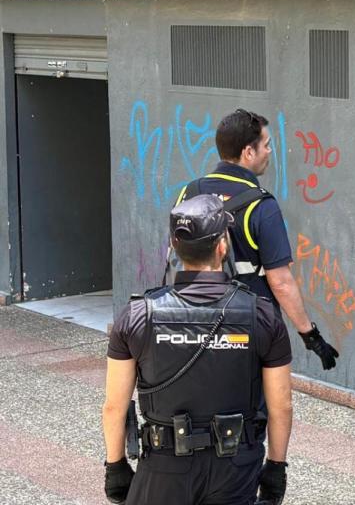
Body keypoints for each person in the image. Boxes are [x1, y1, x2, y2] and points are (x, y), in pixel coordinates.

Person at [102, 194, 293, 504]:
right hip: (235, 469)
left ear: (175, 247)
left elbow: (115, 405)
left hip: (163, 468)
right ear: (222, 247)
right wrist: (275, 467)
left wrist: (116, 466)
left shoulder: (138, 315)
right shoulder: (261, 315)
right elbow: (281, 405)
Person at [175, 108, 339, 371]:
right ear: (248, 152)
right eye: (266, 145)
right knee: (258, 405)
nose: (270, 151)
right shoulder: (261, 205)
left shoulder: (188, 192)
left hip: (192, 317)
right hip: (248, 325)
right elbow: (281, 282)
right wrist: (311, 336)